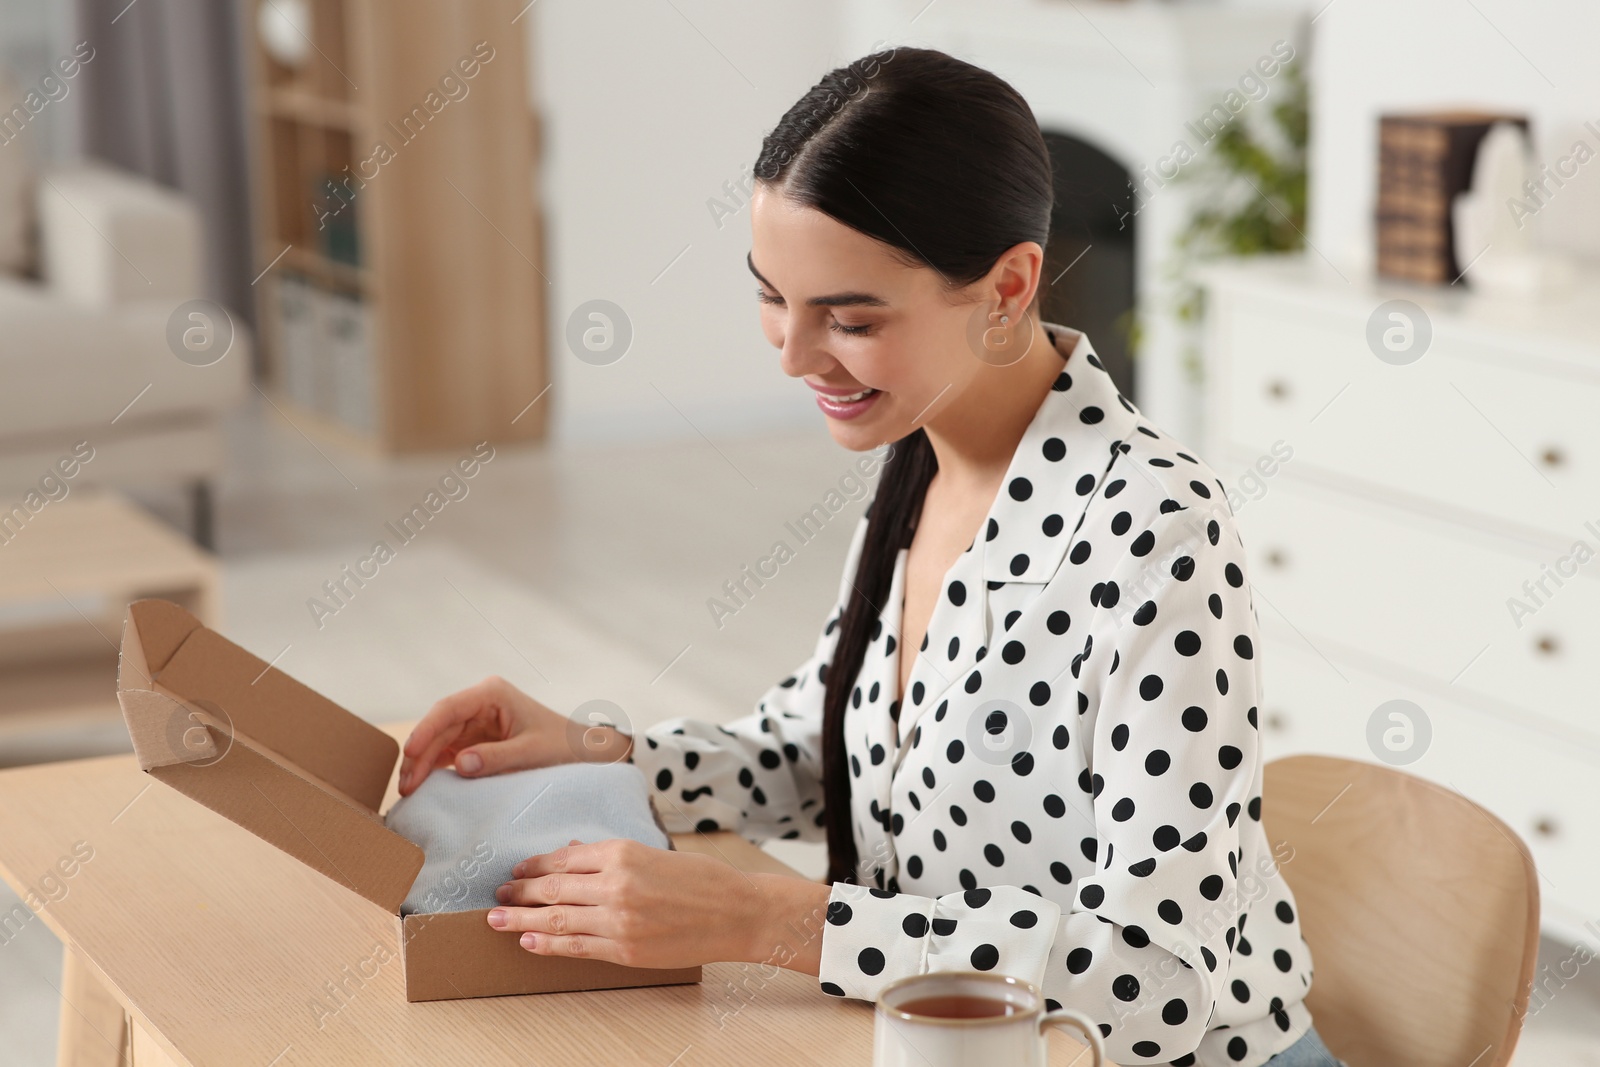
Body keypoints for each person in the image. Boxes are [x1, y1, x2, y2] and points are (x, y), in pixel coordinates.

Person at [399, 47, 1346, 1067]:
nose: (794, 355)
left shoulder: (1156, 528)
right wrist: (597, 750)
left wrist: (770, 920)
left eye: (848, 318)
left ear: (1006, 288)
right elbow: (821, 754)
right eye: (772, 296)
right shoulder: (920, 464)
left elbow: (1157, 979)